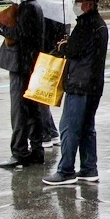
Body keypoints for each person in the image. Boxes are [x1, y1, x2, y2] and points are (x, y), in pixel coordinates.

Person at [43, 0, 109, 186]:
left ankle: (66, 170)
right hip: (94, 85)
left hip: (80, 84)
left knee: (69, 128)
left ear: (88, 4)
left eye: (79, 2)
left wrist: (65, 45)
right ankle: (89, 168)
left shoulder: (87, 25)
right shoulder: (99, 24)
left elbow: (75, 51)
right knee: (87, 127)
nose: (76, 5)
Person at [0, 0, 46, 169]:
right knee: (31, 109)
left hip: (22, 65)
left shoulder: (28, 8)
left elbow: (20, 34)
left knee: (19, 110)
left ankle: (20, 152)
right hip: (29, 64)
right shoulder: (34, 6)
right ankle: (36, 150)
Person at [40, 16, 68, 149]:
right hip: (52, 56)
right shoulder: (61, 14)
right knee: (41, 97)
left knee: (40, 97)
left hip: (45, 58)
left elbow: (42, 37)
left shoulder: (47, 16)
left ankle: (45, 135)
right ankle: (51, 133)